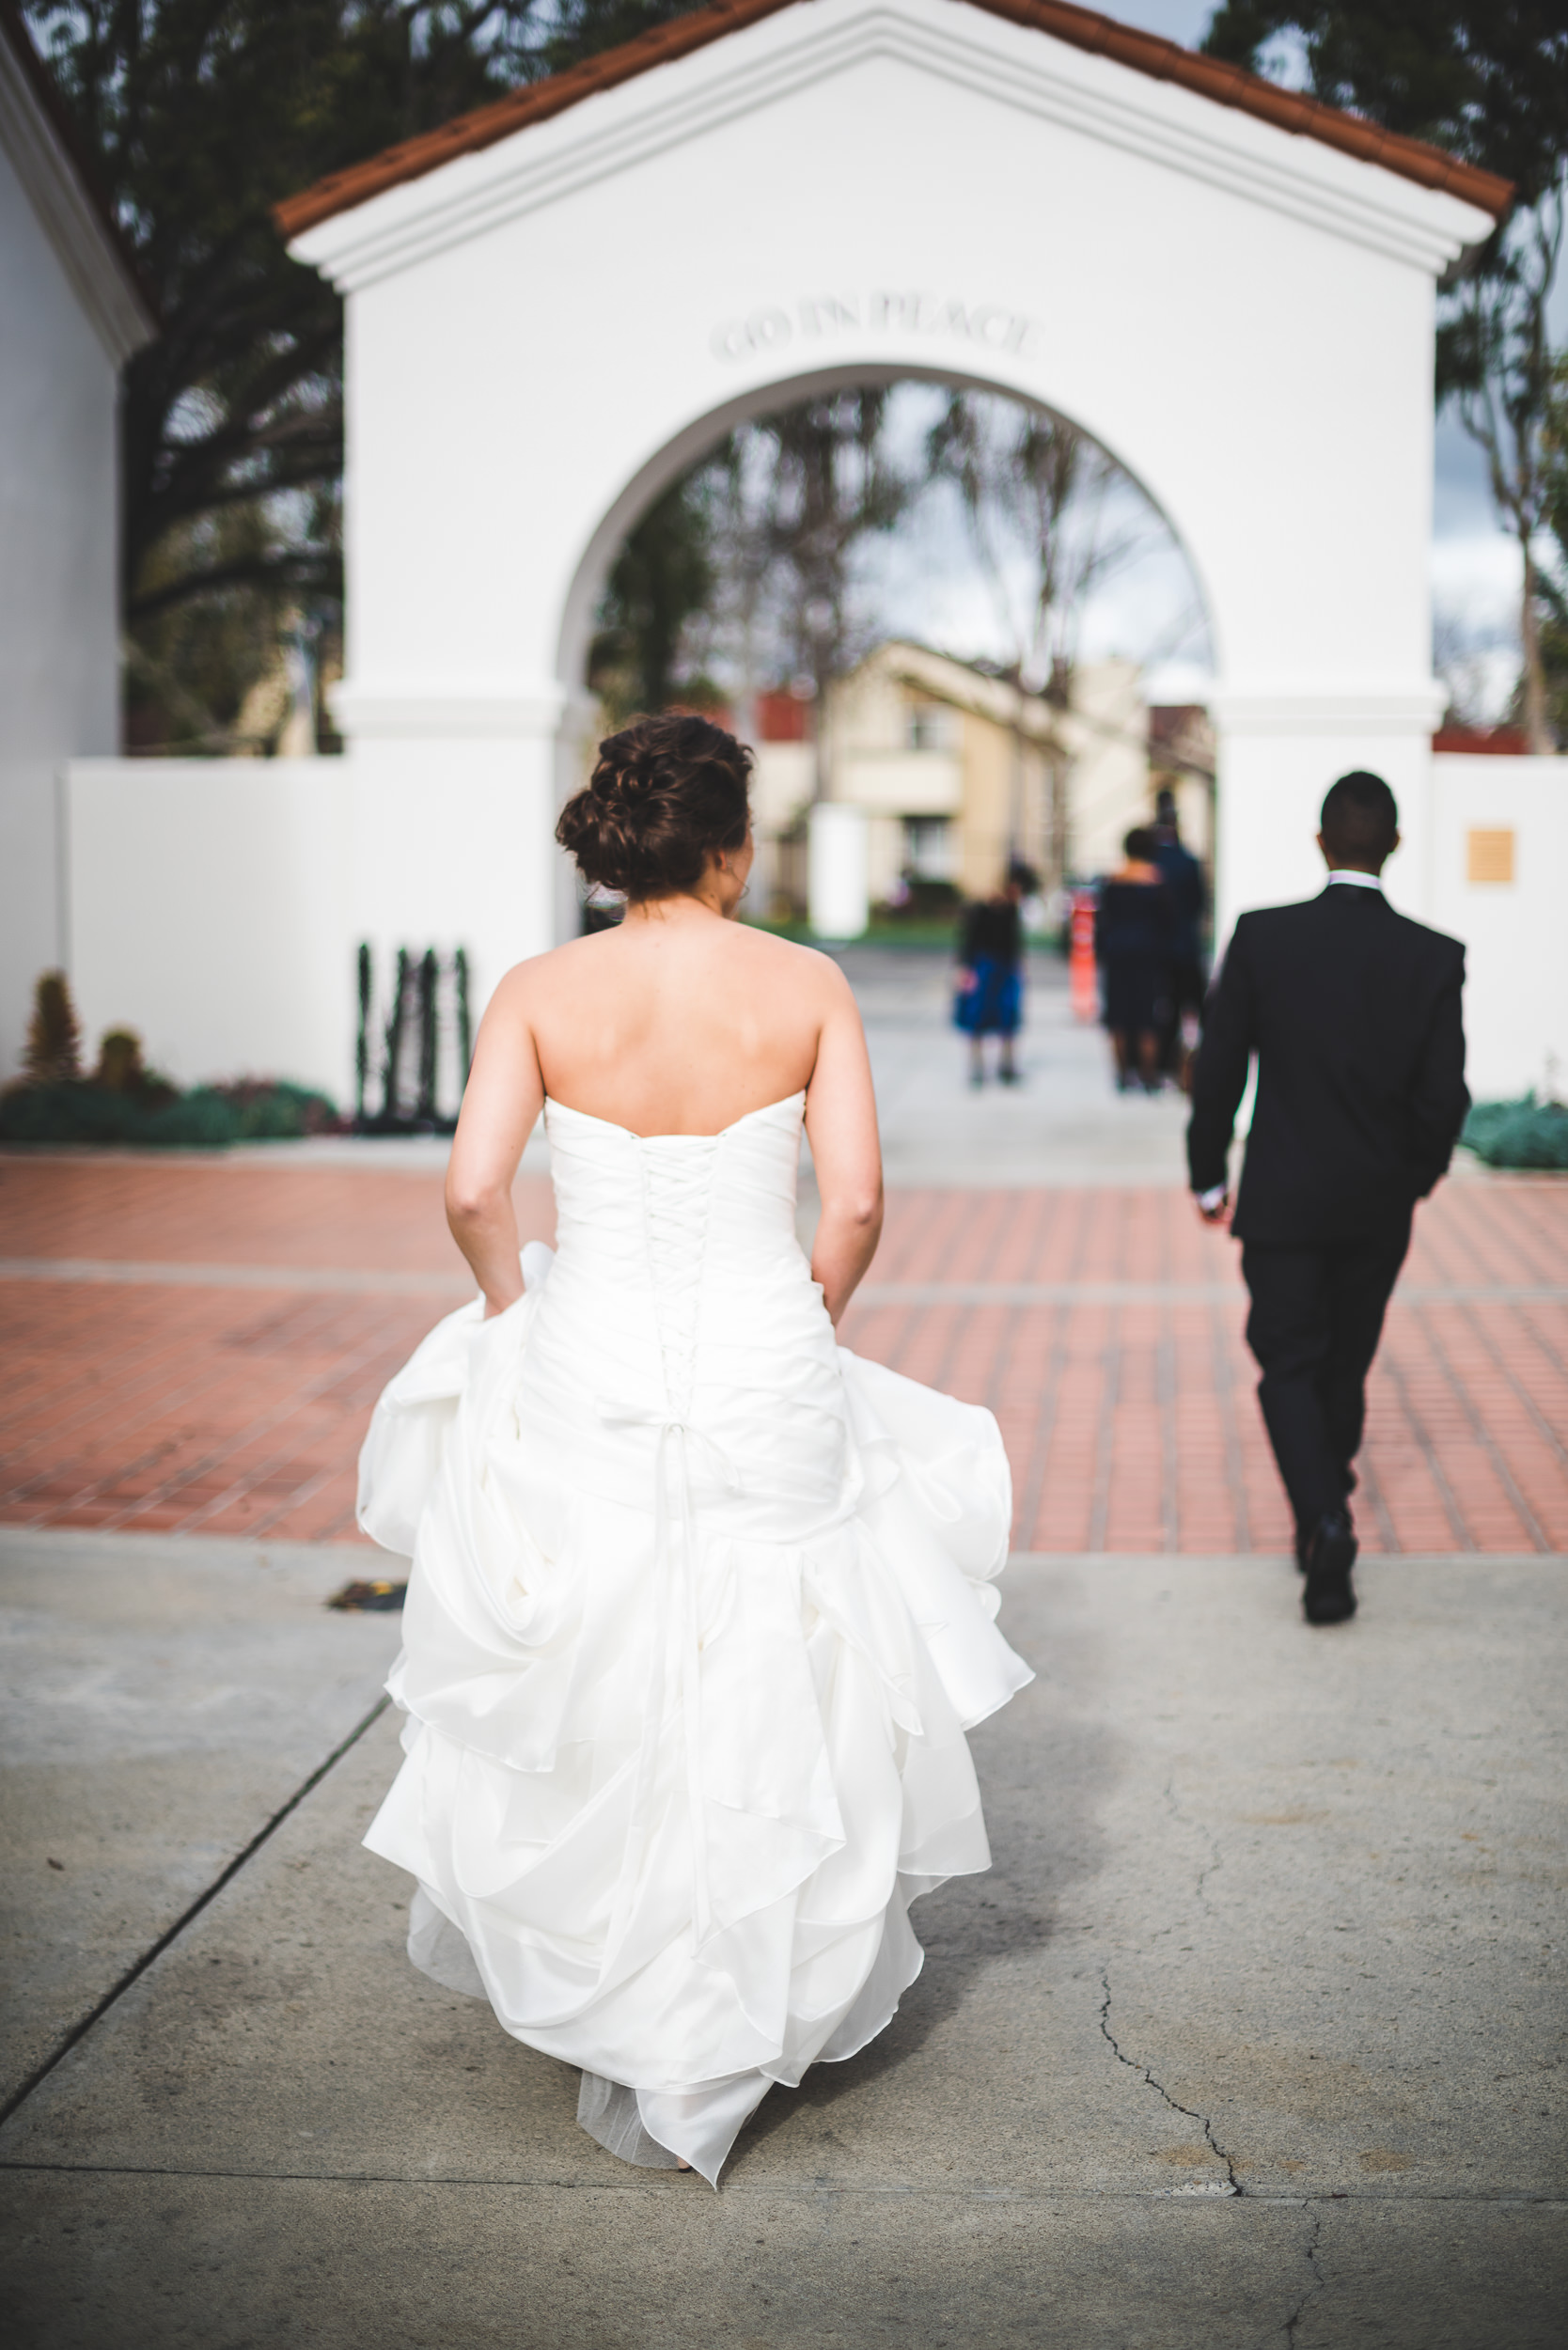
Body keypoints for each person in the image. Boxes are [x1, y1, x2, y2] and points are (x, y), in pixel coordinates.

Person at [355, 713, 1032, 2186]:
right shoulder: (805, 985)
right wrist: (811, 1313)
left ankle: (625, 1993)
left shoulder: (542, 988)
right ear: (729, 844)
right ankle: (736, 2009)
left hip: (588, 1348)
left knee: (605, 1639)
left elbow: (476, 1185)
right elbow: (849, 1206)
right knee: (774, 1648)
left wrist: (509, 1310)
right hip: (763, 1357)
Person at [1187, 771, 1468, 1626]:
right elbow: (1443, 1098)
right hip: (1379, 1204)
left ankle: (1323, 1518)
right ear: (1393, 845)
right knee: (1344, 1363)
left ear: (1320, 842)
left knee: (1286, 1364)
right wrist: (1412, 1181)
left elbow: (1220, 1067)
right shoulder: (1433, 955)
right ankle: (1327, 1510)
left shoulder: (1264, 938)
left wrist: (1209, 1171)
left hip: (1282, 1194)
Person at [1094, 827, 1176, 1091]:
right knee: (1147, 1017)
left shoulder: (1113, 881)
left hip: (1118, 954)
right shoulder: (1157, 883)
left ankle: (1121, 1074)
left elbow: (1103, 923)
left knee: (1118, 1015)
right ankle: (1148, 1074)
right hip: (1148, 955)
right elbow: (1168, 924)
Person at [1150, 788, 1207, 1087]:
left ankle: (1165, 1064)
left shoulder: (1153, 862)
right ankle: (1193, 1063)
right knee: (1193, 1008)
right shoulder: (1187, 861)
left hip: (1160, 947)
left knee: (1165, 1010)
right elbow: (1199, 902)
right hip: (1185, 944)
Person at [953, 868, 1027, 1085]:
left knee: (1008, 1017)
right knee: (977, 1017)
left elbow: (1015, 944)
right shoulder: (980, 910)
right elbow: (968, 941)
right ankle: (977, 1066)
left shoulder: (1011, 911)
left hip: (1006, 968)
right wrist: (965, 969)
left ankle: (1007, 1065)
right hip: (983, 967)